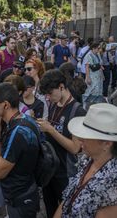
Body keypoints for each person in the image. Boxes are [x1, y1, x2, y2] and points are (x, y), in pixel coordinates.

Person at [54, 103, 117, 218]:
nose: (80, 138)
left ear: (106, 144)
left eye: (87, 135)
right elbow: (68, 200)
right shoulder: (88, 160)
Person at [38, 69, 86, 218]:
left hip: (65, 173)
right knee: (50, 209)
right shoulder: (54, 104)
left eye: (50, 93)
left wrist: (51, 130)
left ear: (61, 87)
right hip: (50, 171)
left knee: (66, 211)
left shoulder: (78, 111)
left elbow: (75, 148)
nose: (48, 97)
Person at [0, 83, 40, 218]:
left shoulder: (17, 131)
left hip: (20, 199)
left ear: (5, 105)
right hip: (27, 191)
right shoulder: (26, 119)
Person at [83, 42, 104, 109]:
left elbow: (100, 64)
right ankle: (85, 105)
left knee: (98, 91)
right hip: (92, 76)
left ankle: (96, 106)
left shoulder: (98, 54)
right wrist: (88, 77)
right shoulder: (89, 55)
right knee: (90, 91)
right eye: (98, 48)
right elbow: (87, 66)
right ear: (93, 48)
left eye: (99, 48)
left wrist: (102, 74)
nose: (99, 50)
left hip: (98, 76)